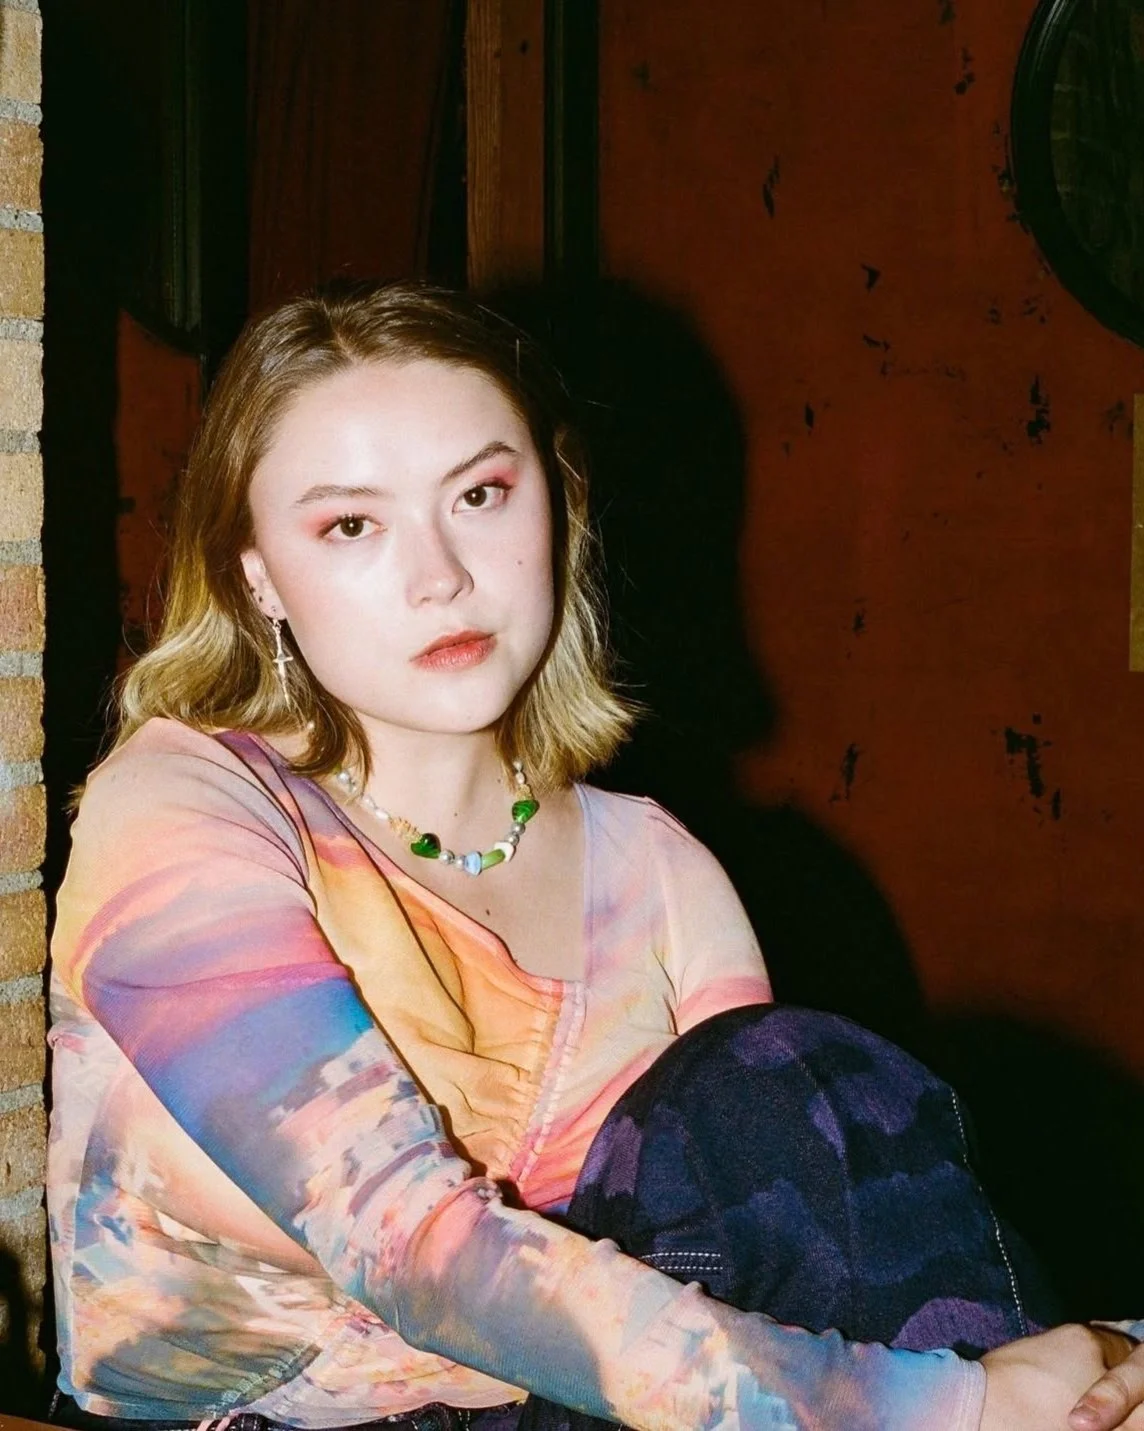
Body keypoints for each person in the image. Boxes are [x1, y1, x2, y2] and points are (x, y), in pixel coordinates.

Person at [45, 281, 1143, 1431]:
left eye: (479, 495)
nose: (440, 575)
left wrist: (1075, 1371)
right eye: (351, 526)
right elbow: (401, 1241)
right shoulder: (186, 807)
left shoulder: (658, 870)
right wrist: (960, 1406)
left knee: (791, 1079)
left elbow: (804, 1247)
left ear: (557, 506)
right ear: (258, 572)